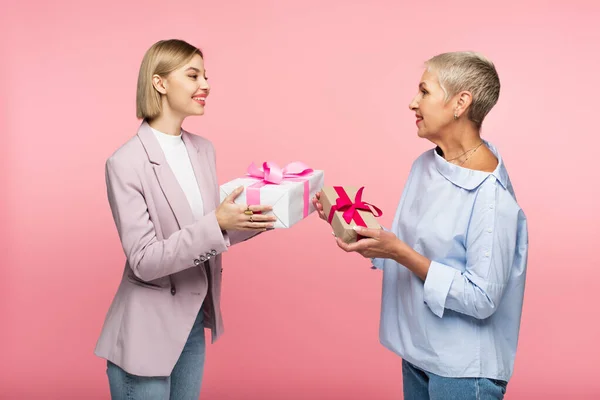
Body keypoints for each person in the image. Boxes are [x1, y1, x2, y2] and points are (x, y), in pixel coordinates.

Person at [313, 51, 528, 400]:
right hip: (419, 352)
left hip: (462, 371)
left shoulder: (492, 196)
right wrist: (355, 229)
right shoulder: (426, 164)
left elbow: (482, 297)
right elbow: (410, 247)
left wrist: (397, 251)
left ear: (460, 102)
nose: (413, 103)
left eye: (424, 92)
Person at [94, 39, 276, 400]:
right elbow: (144, 261)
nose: (205, 84)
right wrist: (217, 223)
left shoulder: (202, 149)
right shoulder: (125, 163)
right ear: (160, 83)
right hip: (145, 332)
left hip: (192, 321)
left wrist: (272, 210)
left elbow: (209, 229)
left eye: (205, 76)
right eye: (193, 75)